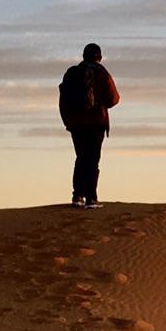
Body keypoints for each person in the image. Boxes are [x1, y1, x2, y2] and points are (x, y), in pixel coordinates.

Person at [58, 43, 120, 208]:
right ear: (99, 57)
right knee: (92, 161)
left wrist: (68, 121)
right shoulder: (102, 73)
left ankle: (77, 196)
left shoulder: (73, 73)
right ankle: (91, 198)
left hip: (76, 124)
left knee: (81, 158)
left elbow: (63, 100)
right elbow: (113, 99)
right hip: (96, 123)